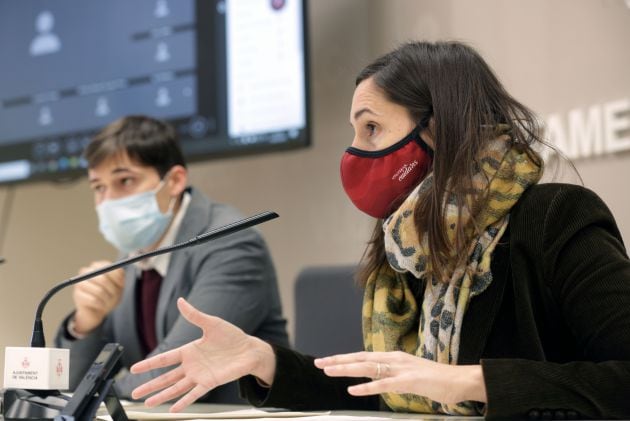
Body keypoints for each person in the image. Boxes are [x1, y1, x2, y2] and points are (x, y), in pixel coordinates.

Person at [129, 42, 630, 419]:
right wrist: (263, 361)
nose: (353, 153)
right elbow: (384, 386)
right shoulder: (410, 245)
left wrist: (471, 382)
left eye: (371, 128)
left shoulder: (556, 217)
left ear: (437, 129)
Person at [54, 115, 289, 403]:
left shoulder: (230, 244)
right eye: (99, 188)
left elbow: (173, 371)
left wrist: (86, 398)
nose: (110, 201)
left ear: (175, 180)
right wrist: (86, 324)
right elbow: (68, 381)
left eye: (125, 180)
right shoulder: (131, 255)